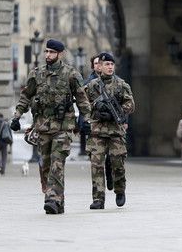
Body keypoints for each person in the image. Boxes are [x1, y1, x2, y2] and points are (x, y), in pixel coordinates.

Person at [10, 39, 91, 215]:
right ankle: (57, 201)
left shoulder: (71, 74)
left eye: (51, 52)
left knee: (57, 162)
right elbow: (25, 96)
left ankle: (52, 199)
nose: (48, 55)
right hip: (42, 127)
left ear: (60, 54)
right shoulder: (36, 74)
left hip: (63, 127)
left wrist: (87, 121)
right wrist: (17, 116)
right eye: (46, 52)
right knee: (45, 164)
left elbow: (82, 99)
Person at [84, 53, 135, 210]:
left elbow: (131, 104)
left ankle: (120, 190)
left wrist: (116, 111)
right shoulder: (92, 85)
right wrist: (95, 109)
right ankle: (98, 199)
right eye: (107, 64)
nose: (110, 67)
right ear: (100, 66)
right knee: (96, 165)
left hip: (115, 131)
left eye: (112, 64)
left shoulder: (121, 84)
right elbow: (82, 103)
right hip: (97, 131)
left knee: (117, 163)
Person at [78, 54, 101, 156]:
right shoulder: (87, 83)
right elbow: (82, 104)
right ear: (93, 66)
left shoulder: (115, 81)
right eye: (96, 63)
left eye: (100, 63)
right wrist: (83, 123)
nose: (98, 66)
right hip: (92, 122)